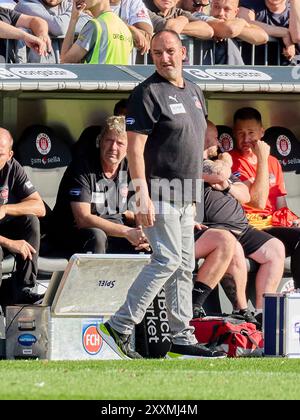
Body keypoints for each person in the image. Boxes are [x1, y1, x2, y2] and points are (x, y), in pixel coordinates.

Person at [99, 29, 226, 359]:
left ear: (183, 52)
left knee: (184, 266)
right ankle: (120, 324)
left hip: (187, 194)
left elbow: (189, 146)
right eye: (157, 53)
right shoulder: (146, 93)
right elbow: (135, 150)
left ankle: (181, 335)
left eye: (169, 51)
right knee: (166, 260)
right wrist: (140, 195)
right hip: (159, 192)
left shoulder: (196, 91)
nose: (164, 58)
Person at [193, 121, 285, 324]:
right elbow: (219, 172)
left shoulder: (217, 161)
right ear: (203, 137)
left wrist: (226, 187)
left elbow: (245, 195)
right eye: (215, 137)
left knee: (275, 248)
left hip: (242, 227)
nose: (218, 142)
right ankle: (241, 309)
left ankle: (262, 313)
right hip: (216, 229)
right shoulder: (193, 161)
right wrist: (225, 162)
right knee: (232, 247)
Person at [49, 116, 149, 257]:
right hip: (74, 233)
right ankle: (96, 280)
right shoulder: (82, 166)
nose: (113, 147)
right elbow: (83, 219)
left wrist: (141, 232)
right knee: (97, 235)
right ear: (100, 141)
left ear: (129, 148)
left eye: (120, 143)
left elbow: (140, 207)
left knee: (147, 244)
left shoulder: (131, 168)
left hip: (115, 231)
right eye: (109, 140)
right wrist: (127, 232)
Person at [231, 107, 300, 290]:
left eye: (251, 133)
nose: (246, 139)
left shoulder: (274, 162)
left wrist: (292, 220)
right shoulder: (230, 161)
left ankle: (297, 294)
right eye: (240, 133)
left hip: (271, 226)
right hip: (247, 228)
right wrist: (261, 158)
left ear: (262, 132)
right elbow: (257, 201)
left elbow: (280, 206)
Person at [0, 128, 46, 304]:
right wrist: (10, 243)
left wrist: (6, 209)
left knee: (30, 220)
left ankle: (24, 290)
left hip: (6, 226)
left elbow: (39, 207)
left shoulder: (13, 168)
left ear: (10, 155)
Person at [15, 0, 91, 62]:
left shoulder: (68, 4)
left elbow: (89, 23)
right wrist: (74, 16)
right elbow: (59, 27)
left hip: (63, 71)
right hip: (32, 71)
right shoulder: (25, 4)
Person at [60, 0, 133, 64]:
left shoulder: (94, 25)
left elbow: (65, 61)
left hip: (96, 79)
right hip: (119, 79)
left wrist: (73, 19)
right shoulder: (125, 28)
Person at [238, 0, 300, 65]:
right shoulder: (251, 3)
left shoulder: (295, 6)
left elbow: (297, 36)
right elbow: (243, 22)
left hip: (289, 71)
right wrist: (283, 32)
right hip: (255, 69)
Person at [144, 0, 214, 41]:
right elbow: (168, 28)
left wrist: (179, 23)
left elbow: (208, 30)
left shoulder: (178, 12)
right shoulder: (142, 9)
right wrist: (183, 20)